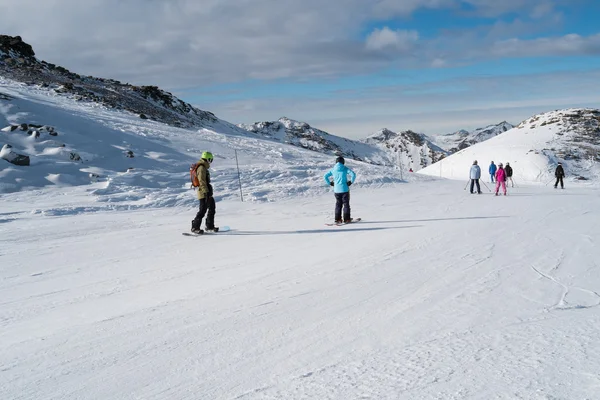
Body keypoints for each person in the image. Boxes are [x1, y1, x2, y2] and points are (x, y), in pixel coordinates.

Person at [191, 151, 217, 234]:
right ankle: (195, 227)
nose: (210, 162)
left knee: (212, 207)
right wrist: (205, 192)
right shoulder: (201, 168)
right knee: (202, 210)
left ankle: (209, 226)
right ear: (207, 158)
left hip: (207, 191)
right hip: (203, 192)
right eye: (210, 160)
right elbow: (201, 181)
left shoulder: (204, 167)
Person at [324, 156, 356, 223]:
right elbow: (353, 174)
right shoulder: (344, 168)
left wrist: (330, 183)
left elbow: (325, 176)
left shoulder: (333, 170)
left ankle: (337, 219)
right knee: (346, 204)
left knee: (338, 204)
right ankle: (347, 219)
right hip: (345, 189)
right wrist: (350, 182)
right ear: (343, 162)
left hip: (336, 190)